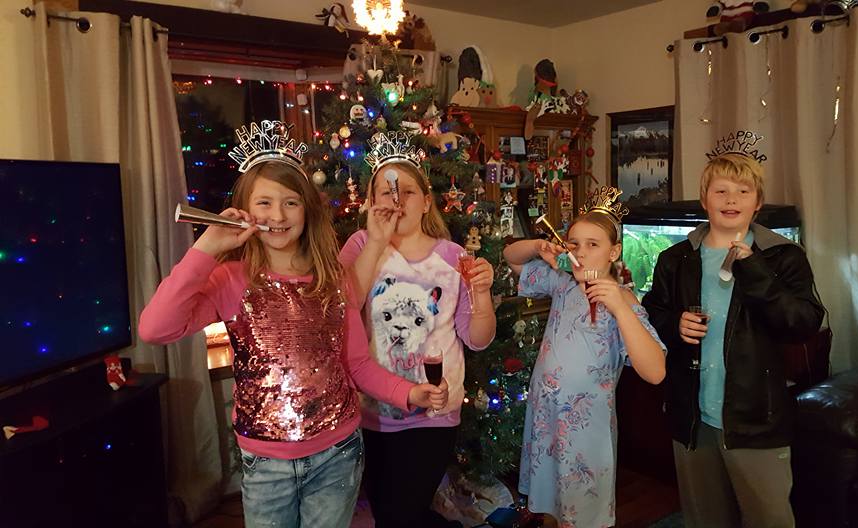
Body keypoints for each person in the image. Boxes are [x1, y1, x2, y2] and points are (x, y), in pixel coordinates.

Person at [139, 121, 446, 528]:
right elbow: (155, 329)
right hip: (266, 465)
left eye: (290, 202)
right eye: (264, 203)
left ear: (307, 210)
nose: (278, 215)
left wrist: (409, 392)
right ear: (244, 210)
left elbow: (356, 364)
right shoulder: (231, 280)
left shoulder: (333, 279)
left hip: (337, 456)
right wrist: (206, 247)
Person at [641, 146, 825, 528]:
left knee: (770, 519)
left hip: (758, 421)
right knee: (705, 519)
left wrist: (753, 268)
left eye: (743, 191)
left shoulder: (783, 257)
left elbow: (803, 322)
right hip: (692, 419)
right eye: (721, 190)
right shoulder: (675, 259)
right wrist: (674, 323)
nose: (731, 200)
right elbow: (652, 311)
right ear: (704, 199)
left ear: (757, 203)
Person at [338, 131, 496, 528]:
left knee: (401, 514)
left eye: (407, 191)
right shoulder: (359, 246)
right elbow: (341, 307)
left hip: (434, 414)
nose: (397, 201)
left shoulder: (452, 257)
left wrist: (482, 293)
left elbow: (477, 339)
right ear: (371, 202)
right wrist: (376, 242)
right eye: (386, 192)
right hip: (374, 412)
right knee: (389, 511)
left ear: (426, 201)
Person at [503, 186, 666, 528]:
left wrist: (620, 307)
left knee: (582, 514)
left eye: (593, 245)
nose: (581, 252)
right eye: (574, 244)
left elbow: (655, 372)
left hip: (585, 434)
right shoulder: (561, 283)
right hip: (546, 419)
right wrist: (537, 246)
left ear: (613, 252)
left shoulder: (623, 303)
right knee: (549, 504)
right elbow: (512, 258)